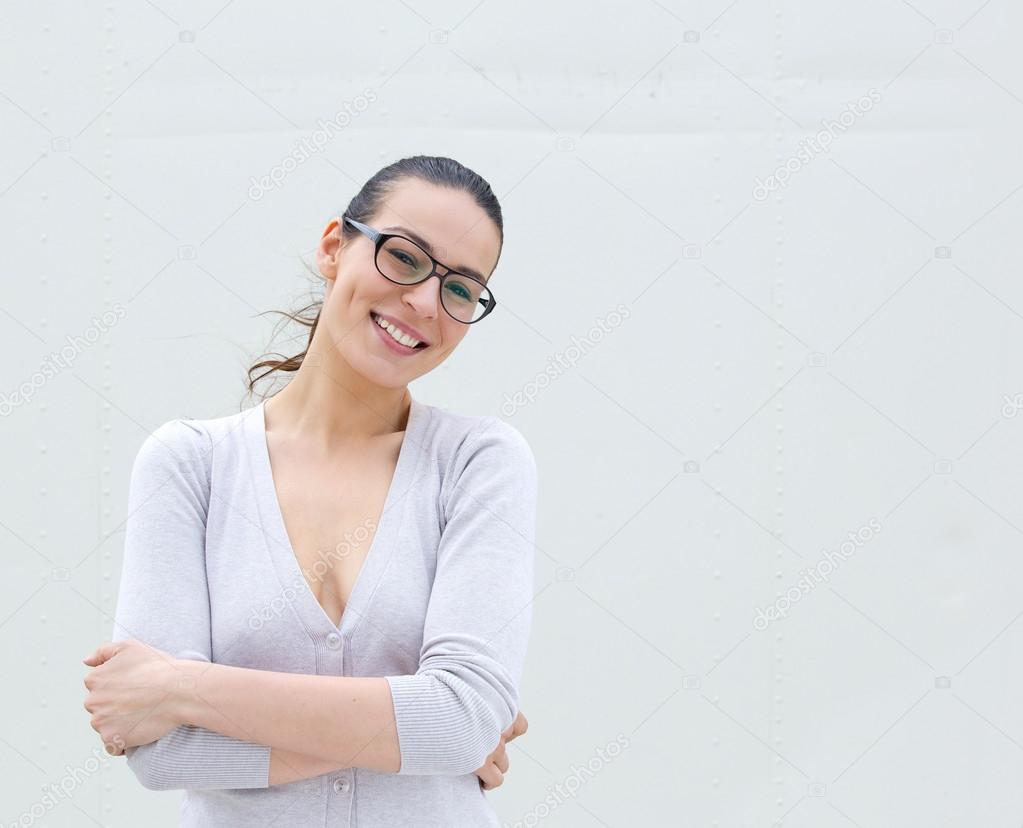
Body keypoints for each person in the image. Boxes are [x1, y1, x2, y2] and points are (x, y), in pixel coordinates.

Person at [82, 155, 539, 827]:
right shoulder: (191, 465)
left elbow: (459, 725)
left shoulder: (478, 462)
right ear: (334, 246)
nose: (422, 301)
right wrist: (410, 734)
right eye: (405, 258)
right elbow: (160, 754)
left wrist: (177, 687)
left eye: (461, 290)